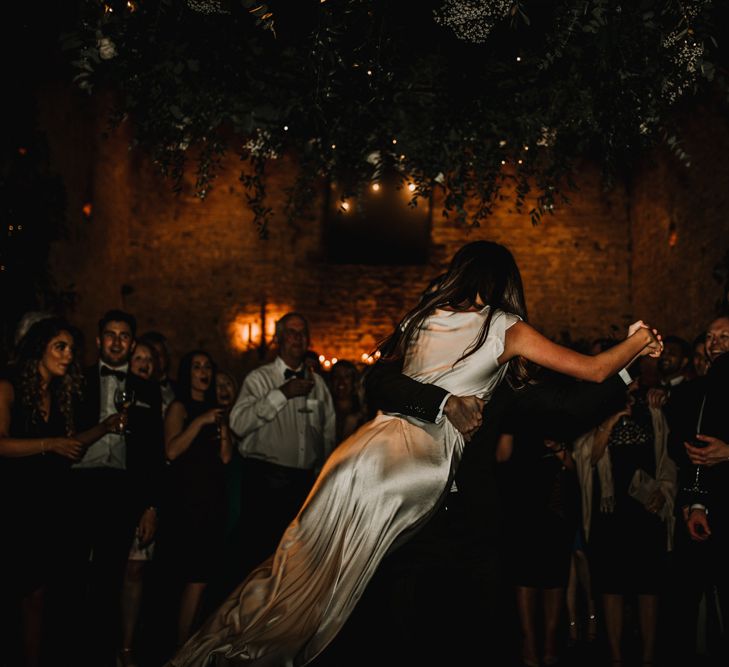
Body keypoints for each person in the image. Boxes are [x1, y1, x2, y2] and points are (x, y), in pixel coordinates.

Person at [167, 240, 661, 667]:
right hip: (412, 517)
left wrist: (628, 370)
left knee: (312, 566)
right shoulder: (493, 326)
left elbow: (566, 409)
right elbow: (379, 379)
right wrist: (637, 340)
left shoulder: (442, 326)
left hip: (455, 518)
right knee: (387, 627)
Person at [60, 310, 165, 667]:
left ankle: (100, 654)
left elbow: (154, 452)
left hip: (122, 491)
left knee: (110, 579)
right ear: (98, 340)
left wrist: (151, 506)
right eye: (110, 335)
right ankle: (67, 651)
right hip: (77, 485)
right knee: (70, 574)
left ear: (132, 343)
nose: (117, 342)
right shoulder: (76, 380)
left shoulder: (148, 389)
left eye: (123, 336)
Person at [0, 317, 85, 667]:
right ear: (39, 348)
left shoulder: (58, 393)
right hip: (14, 502)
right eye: (60, 347)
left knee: (42, 594)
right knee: (17, 589)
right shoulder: (8, 387)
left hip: (50, 503)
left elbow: (69, 447)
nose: (68, 356)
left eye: (71, 350)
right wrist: (49, 444)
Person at [227, 312, 336, 582]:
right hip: (265, 482)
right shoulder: (259, 379)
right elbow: (238, 424)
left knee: (296, 564)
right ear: (278, 339)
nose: (298, 338)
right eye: (291, 332)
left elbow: (328, 435)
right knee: (258, 561)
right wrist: (282, 394)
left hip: (305, 487)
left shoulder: (319, 384)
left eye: (303, 333)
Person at [157, 351, 233, 649]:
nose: (203, 372)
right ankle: (181, 647)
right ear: (187, 372)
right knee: (189, 575)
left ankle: (188, 643)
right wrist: (199, 421)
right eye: (197, 367)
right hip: (186, 500)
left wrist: (222, 426)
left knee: (203, 576)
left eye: (207, 367)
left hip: (212, 499)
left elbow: (226, 458)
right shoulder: (179, 407)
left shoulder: (215, 409)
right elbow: (172, 451)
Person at [328, 359, 368, 445]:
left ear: (354, 382)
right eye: (336, 376)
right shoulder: (325, 411)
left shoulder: (363, 414)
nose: (341, 381)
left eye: (347, 377)